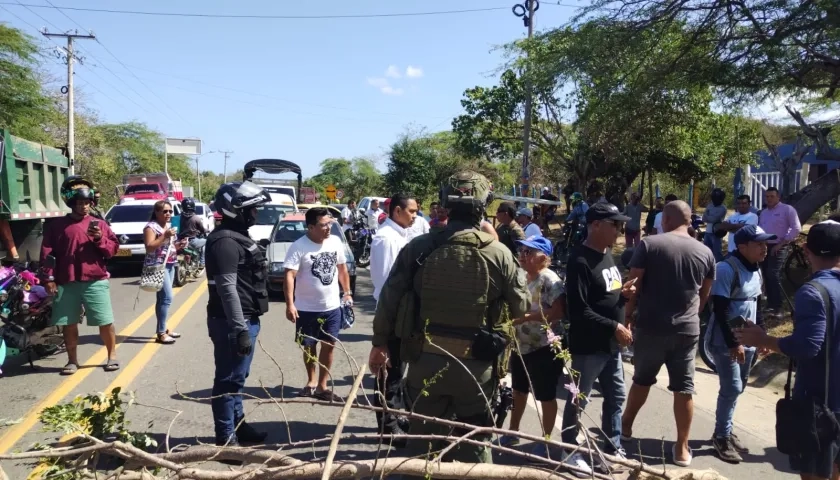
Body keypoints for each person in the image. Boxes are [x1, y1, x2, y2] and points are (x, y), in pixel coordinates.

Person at [368, 171, 529, 468]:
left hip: (424, 361)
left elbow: (388, 301)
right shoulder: (500, 253)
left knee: (422, 448)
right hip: (477, 368)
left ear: (445, 205)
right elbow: (521, 307)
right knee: (474, 447)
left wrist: (379, 345)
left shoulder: (418, 248)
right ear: (485, 206)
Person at [737, 220, 840, 480]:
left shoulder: (813, 292)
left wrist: (765, 340)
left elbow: (807, 346)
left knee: (816, 474)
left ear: (806, 250)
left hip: (822, 405)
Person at [622, 200, 717, 467]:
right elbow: (705, 294)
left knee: (642, 380)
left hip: (651, 327)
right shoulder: (706, 252)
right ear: (689, 221)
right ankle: (682, 448)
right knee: (684, 389)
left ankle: (626, 427)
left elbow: (633, 285)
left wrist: (627, 317)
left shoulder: (650, 244)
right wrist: (692, 316)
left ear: (665, 219)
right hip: (687, 330)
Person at [562, 203, 634, 475]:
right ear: (595, 225)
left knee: (616, 396)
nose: (619, 229)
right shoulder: (579, 259)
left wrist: (623, 295)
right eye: (614, 224)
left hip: (610, 345)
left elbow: (606, 295)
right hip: (588, 347)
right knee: (578, 400)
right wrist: (615, 325)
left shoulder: (606, 255)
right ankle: (569, 450)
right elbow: (579, 310)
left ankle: (612, 449)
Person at [205, 181, 272, 446]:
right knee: (228, 381)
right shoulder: (224, 243)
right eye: (252, 209)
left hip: (243, 319)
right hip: (233, 322)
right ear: (236, 211)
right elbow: (227, 289)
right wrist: (240, 329)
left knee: (237, 380)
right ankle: (225, 438)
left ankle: (239, 428)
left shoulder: (236, 237)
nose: (256, 214)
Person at [705, 224, 775, 463]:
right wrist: (734, 344)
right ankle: (721, 437)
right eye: (759, 244)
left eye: (765, 243)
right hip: (727, 341)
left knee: (740, 386)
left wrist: (763, 336)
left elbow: (758, 304)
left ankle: (726, 428)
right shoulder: (726, 269)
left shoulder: (756, 268)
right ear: (742, 246)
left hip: (749, 340)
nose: (764, 248)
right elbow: (721, 311)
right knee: (732, 387)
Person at [41, 176, 120, 375]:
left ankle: (112, 356)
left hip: (95, 281)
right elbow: (47, 253)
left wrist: (99, 239)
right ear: (71, 203)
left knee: (105, 321)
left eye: (87, 203)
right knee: (69, 324)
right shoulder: (56, 226)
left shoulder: (99, 224)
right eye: (80, 203)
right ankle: (72, 361)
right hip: (67, 282)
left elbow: (112, 250)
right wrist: (48, 278)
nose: (84, 207)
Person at [498, 236, 565, 457]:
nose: (523, 255)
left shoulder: (549, 279)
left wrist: (525, 318)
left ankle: (546, 440)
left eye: (529, 252)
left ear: (544, 258)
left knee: (545, 395)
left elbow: (557, 312)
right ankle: (513, 431)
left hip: (544, 346)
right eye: (522, 251)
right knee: (518, 390)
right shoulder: (521, 276)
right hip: (521, 346)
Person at [284, 207, 353, 402]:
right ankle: (311, 381)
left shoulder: (335, 242)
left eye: (330, 224)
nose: (328, 228)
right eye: (323, 225)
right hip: (306, 308)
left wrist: (347, 293)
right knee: (308, 346)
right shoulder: (299, 246)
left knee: (329, 345)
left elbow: (342, 269)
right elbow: (289, 275)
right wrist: (290, 304)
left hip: (331, 306)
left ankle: (323, 386)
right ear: (311, 226)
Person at [369, 193, 417, 442]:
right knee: (388, 373)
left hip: (400, 314)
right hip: (391, 313)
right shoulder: (387, 239)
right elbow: (389, 285)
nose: (415, 216)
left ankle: (395, 417)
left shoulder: (398, 234)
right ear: (397, 211)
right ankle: (387, 427)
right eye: (411, 211)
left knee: (397, 372)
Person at [143, 200, 187, 344]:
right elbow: (149, 247)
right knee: (167, 298)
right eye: (165, 211)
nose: (168, 214)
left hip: (169, 264)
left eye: (170, 211)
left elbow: (167, 247)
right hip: (157, 266)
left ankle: (163, 328)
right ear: (157, 213)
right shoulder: (151, 227)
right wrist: (165, 236)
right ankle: (161, 333)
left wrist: (178, 245)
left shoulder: (167, 226)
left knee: (162, 299)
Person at [758, 187, 802, 312]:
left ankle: (778, 306)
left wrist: (781, 244)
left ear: (778, 197)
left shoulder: (787, 209)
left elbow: (796, 228)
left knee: (773, 274)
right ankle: (770, 304)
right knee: (765, 274)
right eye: (767, 196)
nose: (769, 199)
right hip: (765, 245)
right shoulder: (764, 212)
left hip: (780, 245)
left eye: (772, 196)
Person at [178, 197, 208, 267]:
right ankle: (202, 262)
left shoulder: (178, 217)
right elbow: (202, 230)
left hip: (179, 241)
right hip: (192, 241)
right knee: (207, 241)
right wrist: (206, 230)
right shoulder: (196, 218)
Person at [702, 188, 728, 262]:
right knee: (706, 252)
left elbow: (713, 219)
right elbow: (703, 219)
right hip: (707, 232)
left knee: (717, 253)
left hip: (716, 233)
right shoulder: (709, 205)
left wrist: (708, 215)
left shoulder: (723, 208)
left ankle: (718, 268)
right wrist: (710, 217)